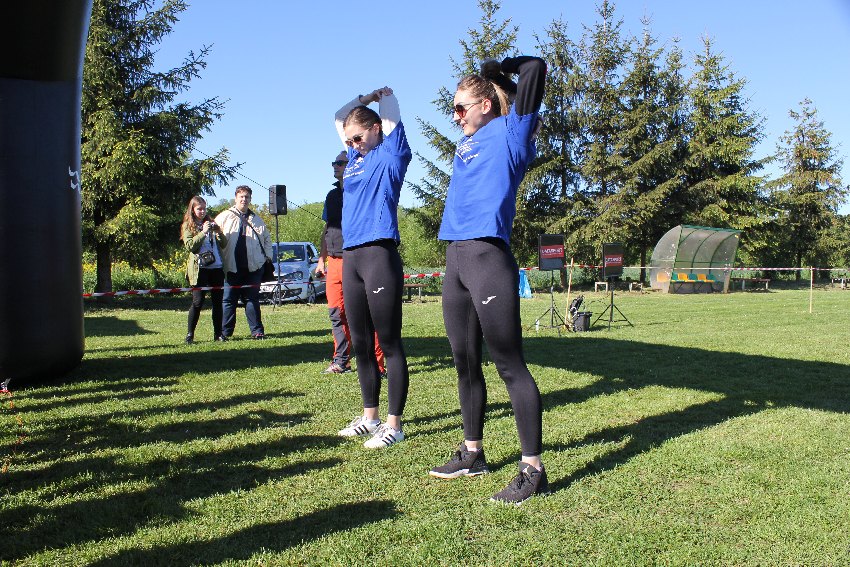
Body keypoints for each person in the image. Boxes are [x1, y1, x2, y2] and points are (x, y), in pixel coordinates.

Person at [428, 56, 549, 504]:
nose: (456, 116)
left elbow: (535, 69)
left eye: (461, 107)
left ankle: (532, 470)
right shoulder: (469, 141)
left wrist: (501, 70)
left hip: (488, 257)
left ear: (484, 105)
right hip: (456, 258)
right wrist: (495, 84)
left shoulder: (512, 132)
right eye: (453, 109)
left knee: (509, 365)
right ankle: (472, 452)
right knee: (464, 362)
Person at [333, 86, 411, 449]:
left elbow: (391, 111)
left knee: (389, 342)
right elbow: (339, 117)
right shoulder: (355, 156)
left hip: (379, 252)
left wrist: (383, 96)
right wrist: (362, 99)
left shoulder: (391, 152)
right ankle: (370, 417)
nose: (353, 144)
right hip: (351, 256)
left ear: (377, 129)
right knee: (361, 343)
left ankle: (394, 425)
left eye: (358, 138)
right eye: (350, 140)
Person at [315, 151, 385, 375]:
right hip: (334, 261)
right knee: (336, 313)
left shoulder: (363, 190)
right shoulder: (331, 196)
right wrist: (321, 259)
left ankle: (378, 364)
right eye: (334, 162)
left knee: (367, 313)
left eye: (340, 163)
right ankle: (341, 361)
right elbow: (328, 228)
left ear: (352, 165)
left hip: (357, 258)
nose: (335, 166)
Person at [214, 185, 273, 340]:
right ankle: (225, 333)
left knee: (252, 300)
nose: (244, 199)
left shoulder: (257, 219)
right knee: (228, 301)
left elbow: (267, 239)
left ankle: (257, 331)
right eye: (241, 196)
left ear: (250, 199)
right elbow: (214, 239)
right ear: (236, 198)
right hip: (231, 267)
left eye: (247, 197)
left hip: (253, 268)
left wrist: (267, 258)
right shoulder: (224, 217)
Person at [181, 196, 228, 344]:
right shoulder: (188, 226)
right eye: (199, 209)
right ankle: (190, 335)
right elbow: (190, 246)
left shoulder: (211, 223)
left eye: (204, 208)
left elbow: (224, 244)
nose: (202, 211)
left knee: (217, 302)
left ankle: (218, 334)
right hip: (199, 269)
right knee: (197, 302)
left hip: (216, 267)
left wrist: (219, 231)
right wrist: (203, 232)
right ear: (192, 210)